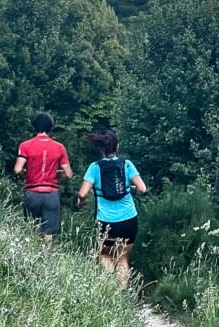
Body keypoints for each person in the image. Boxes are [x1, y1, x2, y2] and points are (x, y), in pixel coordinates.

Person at [76, 129, 147, 287]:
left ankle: (110, 291)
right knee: (122, 258)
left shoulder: (95, 167)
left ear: (101, 148)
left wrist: (81, 202)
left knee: (104, 255)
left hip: (106, 221)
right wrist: (131, 188)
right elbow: (142, 188)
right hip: (129, 219)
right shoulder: (127, 165)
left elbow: (82, 193)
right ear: (118, 147)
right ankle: (122, 293)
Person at [14, 112, 73, 243]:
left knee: (31, 229)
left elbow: (18, 169)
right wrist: (58, 175)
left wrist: (26, 175)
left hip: (32, 192)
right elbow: (68, 174)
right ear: (50, 127)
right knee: (48, 233)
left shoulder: (25, 145)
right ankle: (46, 256)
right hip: (51, 194)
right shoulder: (59, 147)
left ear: (34, 126)